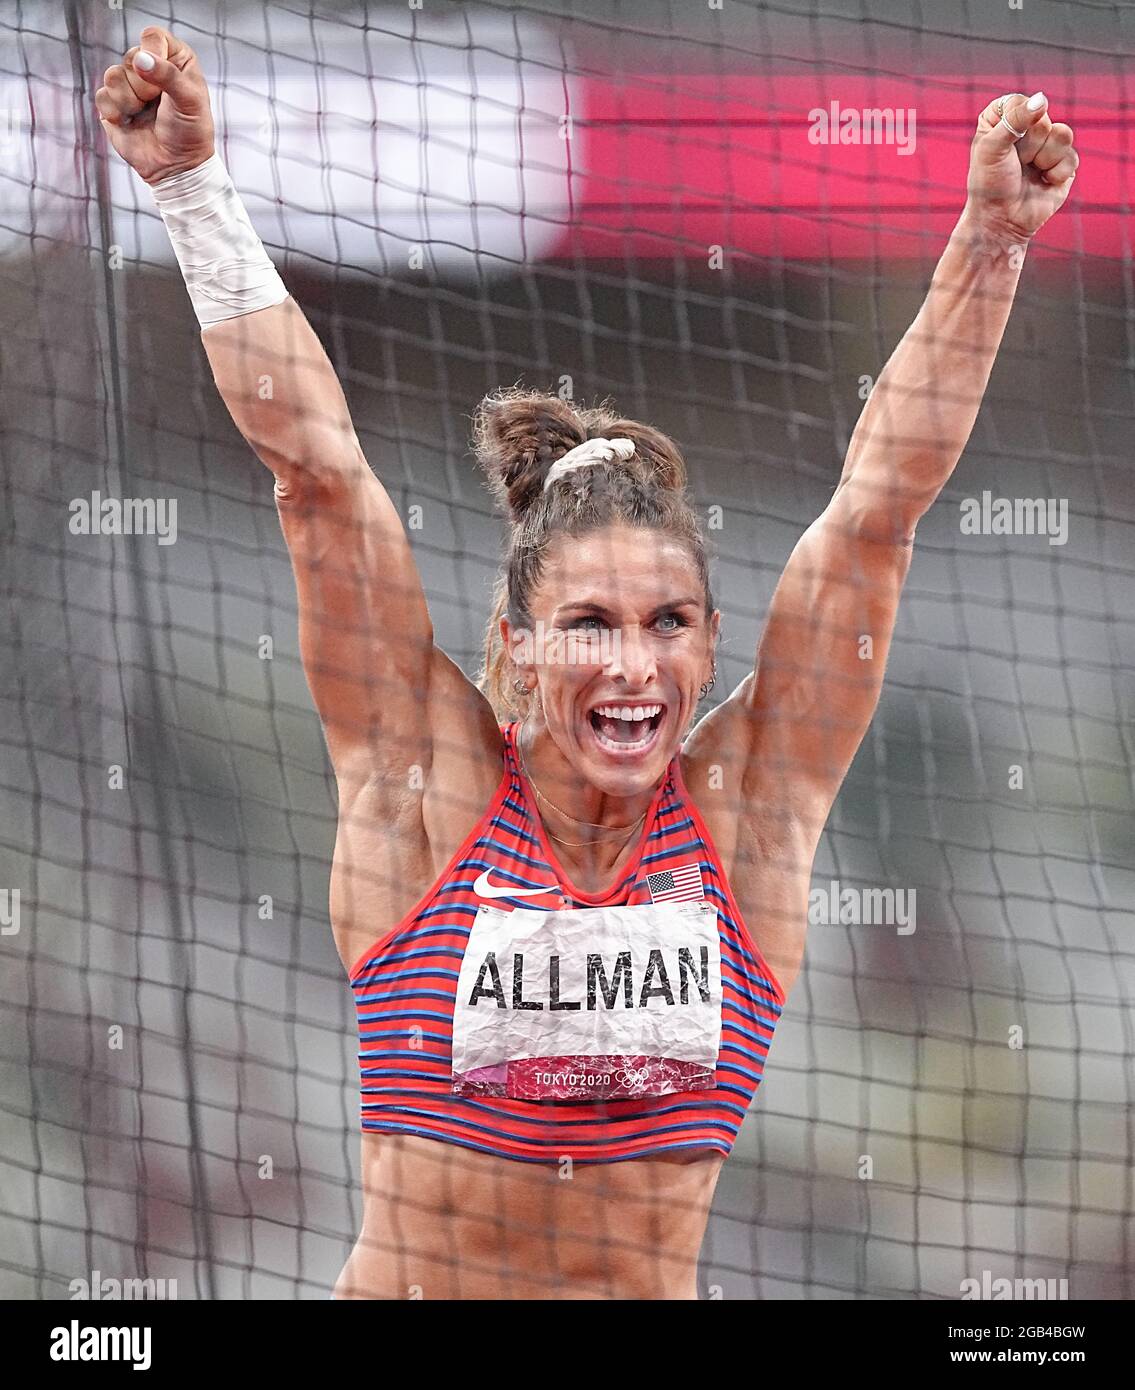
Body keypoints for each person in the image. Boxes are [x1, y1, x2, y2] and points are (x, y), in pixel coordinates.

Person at [97, 26, 1078, 1299]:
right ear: (514, 648)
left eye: (669, 622)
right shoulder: (424, 787)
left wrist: (991, 242)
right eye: (591, 624)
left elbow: (877, 507)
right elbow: (318, 477)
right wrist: (189, 191)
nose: (635, 664)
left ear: (712, 643)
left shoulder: (748, 811)